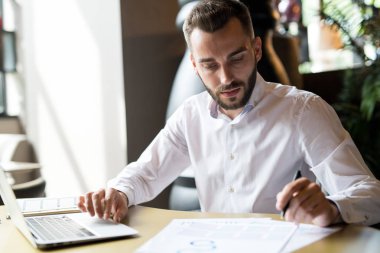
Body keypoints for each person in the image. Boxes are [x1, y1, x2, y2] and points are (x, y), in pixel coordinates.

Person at [78, 0, 380, 227]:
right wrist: (117, 192)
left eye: (237, 58)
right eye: (210, 65)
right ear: (195, 66)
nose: (226, 78)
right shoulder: (190, 116)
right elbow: (146, 173)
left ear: (257, 49)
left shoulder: (303, 111)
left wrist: (331, 207)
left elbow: (370, 195)